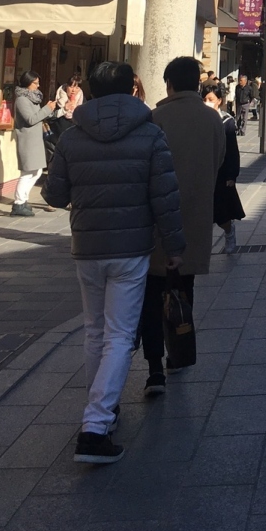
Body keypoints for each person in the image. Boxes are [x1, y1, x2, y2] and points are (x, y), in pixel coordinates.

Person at [43, 61, 184, 465]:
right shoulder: (150, 134)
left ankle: (103, 410)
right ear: (131, 89)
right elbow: (165, 197)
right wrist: (174, 246)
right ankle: (96, 424)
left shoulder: (72, 136)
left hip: (87, 245)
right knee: (120, 334)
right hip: (132, 247)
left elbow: (54, 195)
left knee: (94, 331)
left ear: (92, 90)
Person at [139, 56, 226, 395]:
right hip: (195, 217)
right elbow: (219, 162)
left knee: (151, 294)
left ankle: (153, 368)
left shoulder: (155, 118)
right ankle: (177, 353)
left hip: (156, 219)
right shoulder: (212, 119)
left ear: (169, 84)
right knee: (182, 291)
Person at [203, 81, 246, 253]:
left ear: (219, 100)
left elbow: (232, 151)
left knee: (222, 212)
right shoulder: (198, 119)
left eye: (210, 99)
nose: (207, 102)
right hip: (203, 172)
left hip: (221, 173)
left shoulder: (226, 121)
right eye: (204, 99)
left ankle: (229, 232)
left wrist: (231, 175)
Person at [11, 71, 57, 217]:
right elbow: (31, 119)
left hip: (35, 140)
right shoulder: (22, 100)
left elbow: (39, 116)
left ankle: (24, 199)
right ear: (27, 83)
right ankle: (18, 203)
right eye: (35, 83)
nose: (38, 86)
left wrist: (52, 110)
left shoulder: (33, 98)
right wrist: (46, 109)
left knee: (36, 172)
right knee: (27, 172)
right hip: (27, 140)